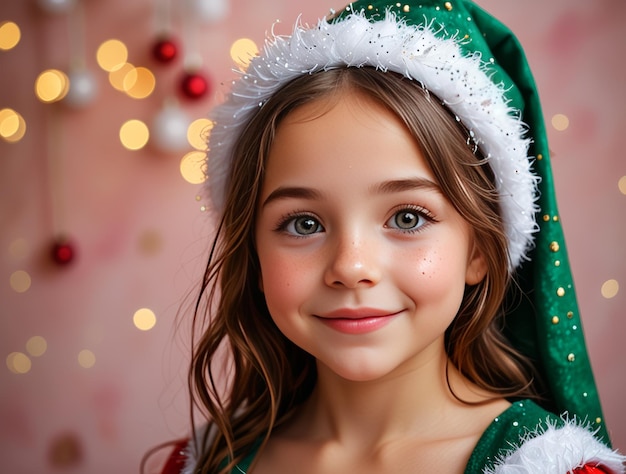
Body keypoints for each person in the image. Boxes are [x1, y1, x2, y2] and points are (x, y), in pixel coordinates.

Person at [157, 1, 625, 472]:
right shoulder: (204, 461)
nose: (351, 267)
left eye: (407, 218)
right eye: (304, 223)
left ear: (481, 249)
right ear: (255, 254)